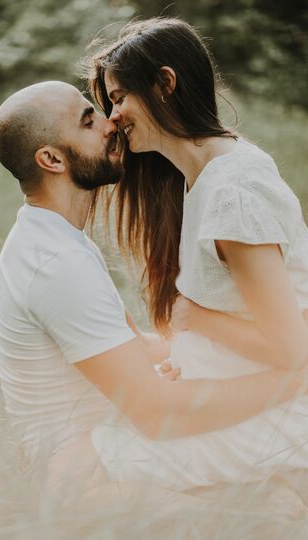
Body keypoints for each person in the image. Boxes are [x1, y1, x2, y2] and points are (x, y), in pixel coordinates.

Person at [0, 80, 307, 494]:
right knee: (291, 438)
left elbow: (136, 346)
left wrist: (196, 346)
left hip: (106, 446)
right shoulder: (56, 263)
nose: (110, 124)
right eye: (89, 122)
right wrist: (290, 381)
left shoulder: (55, 237)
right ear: (51, 159)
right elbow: (156, 413)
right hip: (85, 471)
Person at [84, 17, 308, 488]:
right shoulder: (199, 178)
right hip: (236, 399)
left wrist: (198, 322)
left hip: (278, 417)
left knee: (89, 469)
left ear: (166, 83)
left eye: (120, 96)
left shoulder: (234, 194)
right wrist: (187, 352)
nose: (113, 116)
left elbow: (295, 352)